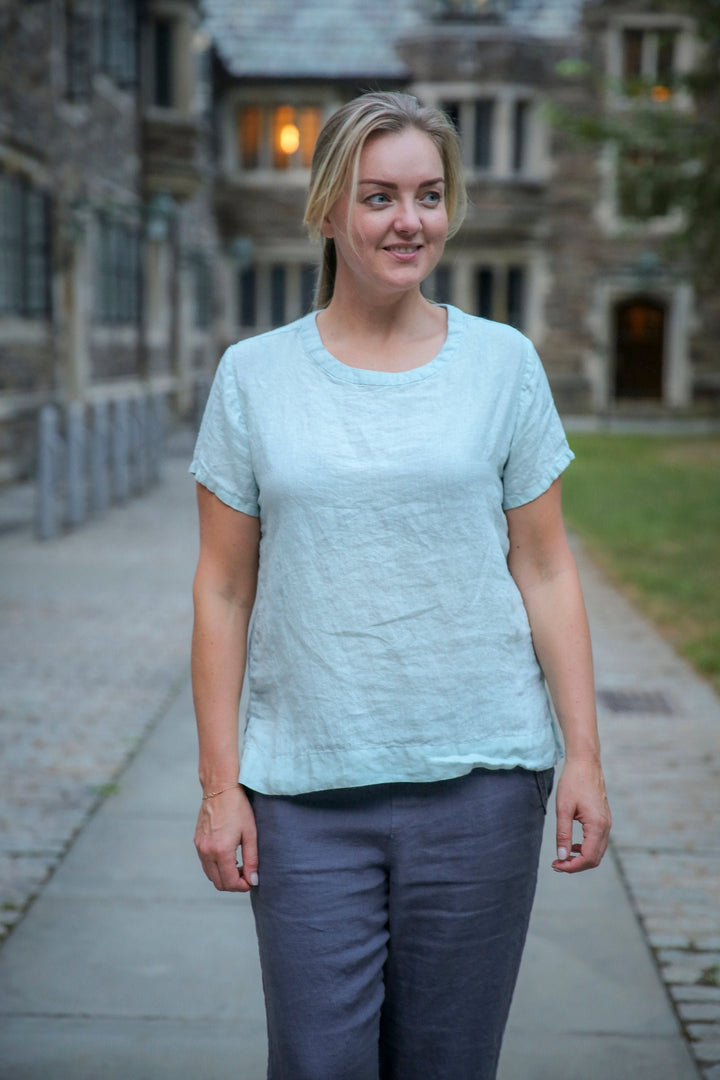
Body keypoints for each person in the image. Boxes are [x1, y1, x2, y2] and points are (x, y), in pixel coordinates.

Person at [190, 91, 611, 1080]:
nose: (408, 221)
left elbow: (547, 569)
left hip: (481, 787)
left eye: (428, 195)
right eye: (378, 197)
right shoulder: (254, 377)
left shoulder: (503, 365)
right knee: (317, 1064)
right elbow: (221, 590)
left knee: (448, 1065)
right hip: (303, 792)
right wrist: (220, 789)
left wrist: (583, 756)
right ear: (329, 208)